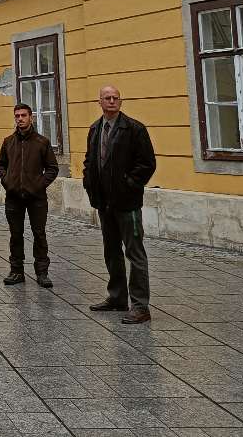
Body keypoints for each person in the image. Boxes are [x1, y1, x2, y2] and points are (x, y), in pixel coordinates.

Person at [83, 85, 156, 325]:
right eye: (107, 98)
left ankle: (140, 305)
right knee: (111, 251)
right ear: (100, 102)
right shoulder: (95, 129)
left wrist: (129, 183)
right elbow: (90, 161)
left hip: (127, 203)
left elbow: (147, 164)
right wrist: (89, 183)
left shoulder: (134, 129)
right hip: (104, 203)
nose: (112, 101)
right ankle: (117, 297)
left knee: (135, 253)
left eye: (115, 98)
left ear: (120, 101)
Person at [0, 103, 59, 288]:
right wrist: (7, 180)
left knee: (39, 234)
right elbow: (1, 164)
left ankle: (42, 272)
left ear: (30, 117)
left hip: (36, 197)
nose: (20, 118)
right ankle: (16, 271)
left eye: (24, 115)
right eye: (17, 115)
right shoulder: (8, 141)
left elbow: (52, 168)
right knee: (15, 235)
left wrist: (39, 185)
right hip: (13, 196)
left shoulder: (42, 142)